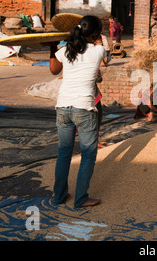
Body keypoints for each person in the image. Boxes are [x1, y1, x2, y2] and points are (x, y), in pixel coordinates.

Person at [49, 15, 106, 208]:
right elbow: (103, 48)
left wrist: (52, 47)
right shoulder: (98, 51)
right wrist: (99, 39)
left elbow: (53, 70)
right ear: (97, 34)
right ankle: (81, 199)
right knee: (88, 154)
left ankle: (59, 196)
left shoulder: (66, 50)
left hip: (63, 107)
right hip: (84, 109)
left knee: (64, 153)